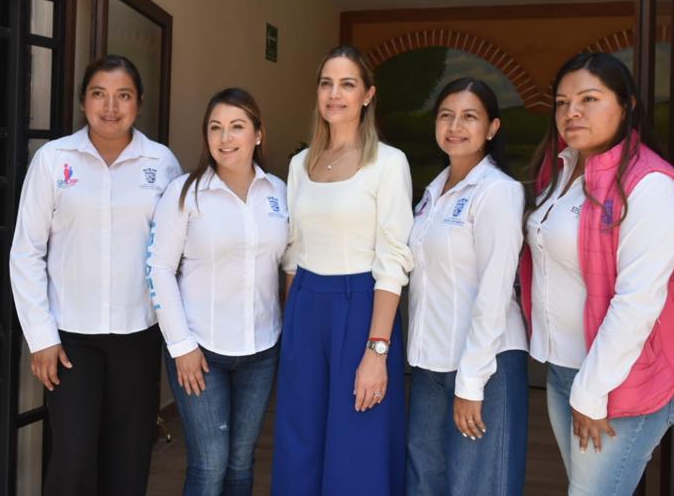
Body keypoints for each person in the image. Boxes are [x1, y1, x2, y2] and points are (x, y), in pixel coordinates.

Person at [521, 52, 674, 495]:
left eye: (589, 99)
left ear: (627, 105)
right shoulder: (560, 170)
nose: (572, 112)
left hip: (624, 376)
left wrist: (591, 391)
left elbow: (636, 302)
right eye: (562, 103)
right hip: (564, 367)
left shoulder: (652, 186)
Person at [9, 54, 182, 496]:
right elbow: (27, 252)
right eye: (99, 94)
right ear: (83, 101)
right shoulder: (53, 160)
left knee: (129, 457)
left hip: (138, 334)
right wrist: (41, 337)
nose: (111, 107)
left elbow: (177, 252)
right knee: (73, 460)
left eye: (123, 95)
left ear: (139, 103)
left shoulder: (162, 164)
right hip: (71, 340)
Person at [272, 45, 414, 496]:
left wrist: (377, 351)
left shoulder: (388, 163)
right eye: (326, 84)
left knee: (357, 441)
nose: (334, 94)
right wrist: (292, 322)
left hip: (361, 310)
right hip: (304, 305)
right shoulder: (299, 165)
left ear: (367, 95)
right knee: (300, 437)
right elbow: (293, 252)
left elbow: (392, 260)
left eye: (347, 84)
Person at [147, 88, 287, 495]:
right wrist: (181, 347)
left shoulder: (278, 192)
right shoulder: (185, 194)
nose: (225, 138)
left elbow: (291, 263)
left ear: (258, 134)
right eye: (215, 128)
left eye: (237, 127)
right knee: (210, 465)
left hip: (261, 351)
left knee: (241, 462)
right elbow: (158, 268)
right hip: (200, 351)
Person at [405, 78, 529, 495]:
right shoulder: (432, 193)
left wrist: (472, 383)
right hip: (430, 361)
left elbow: (496, 290)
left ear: (492, 128)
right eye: (446, 115)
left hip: (484, 364)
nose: (455, 126)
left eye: (469, 117)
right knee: (424, 481)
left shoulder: (498, 192)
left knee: (477, 486)